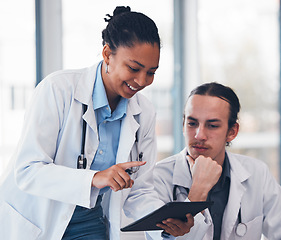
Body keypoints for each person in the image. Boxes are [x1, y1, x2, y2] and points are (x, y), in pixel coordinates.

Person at [0, 6, 193, 240]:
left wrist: (164, 221)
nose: (142, 81)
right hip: (36, 219)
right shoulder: (58, 90)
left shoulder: (144, 113)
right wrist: (94, 178)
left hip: (89, 223)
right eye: (133, 68)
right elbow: (27, 170)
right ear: (107, 54)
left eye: (151, 72)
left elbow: (139, 191)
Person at [153, 82, 281, 240]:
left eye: (212, 125)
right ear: (183, 124)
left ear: (232, 132)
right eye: (192, 123)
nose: (199, 135)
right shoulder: (159, 177)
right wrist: (198, 191)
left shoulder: (257, 173)